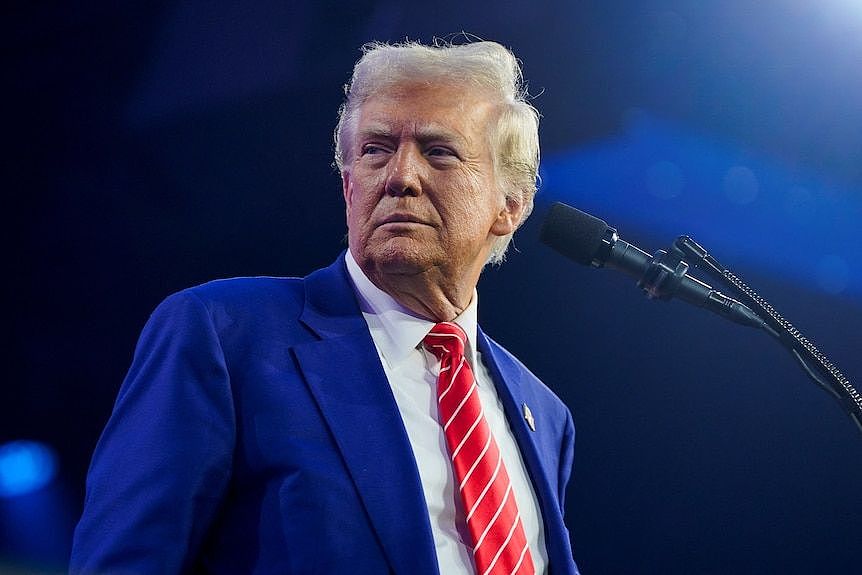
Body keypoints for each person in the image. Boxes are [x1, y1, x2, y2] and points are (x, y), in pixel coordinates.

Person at [70, 39, 579, 574]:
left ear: (510, 206)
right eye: (376, 149)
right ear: (348, 185)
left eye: (438, 151)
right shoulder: (225, 332)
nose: (400, 176)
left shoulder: (542, 413)